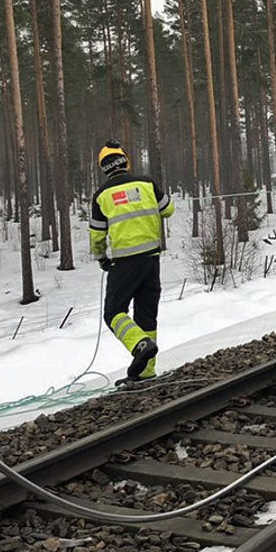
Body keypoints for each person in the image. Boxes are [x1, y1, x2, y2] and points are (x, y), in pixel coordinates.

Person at [89, 141, 175, 383]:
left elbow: (96, 235)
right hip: (151, 260)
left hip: (124, 263)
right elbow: (168, 209)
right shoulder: (146, 183)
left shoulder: (101, 196)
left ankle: (139, 345)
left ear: (104, 168)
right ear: (125, 161)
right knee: (146, 315)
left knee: (114, 312)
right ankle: (147, 372)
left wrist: (101, 257)